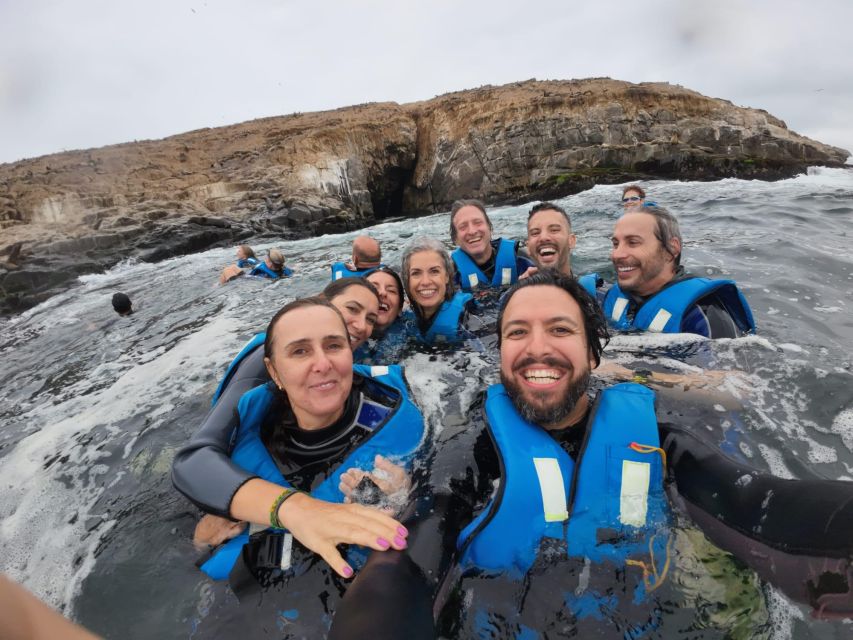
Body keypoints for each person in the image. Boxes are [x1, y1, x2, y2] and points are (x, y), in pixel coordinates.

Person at [329, 272, 853, 638]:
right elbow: (409, 562)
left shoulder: (658, 442)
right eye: (517, 333)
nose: (537, 347)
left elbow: (758, 503)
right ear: (501, 355)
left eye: (560, 329)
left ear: (593, 354)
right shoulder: (470, 449)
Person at [178, 297, 423, 637]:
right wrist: (203, 540)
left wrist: (404, 498)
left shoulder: (398, 418)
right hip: (244, 601)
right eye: (300, 352)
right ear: (274, 371)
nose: (322, 363)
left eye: (334, 346)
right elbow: (195, 533)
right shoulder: (245, 432)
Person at [210, 277, 381, 405]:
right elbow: (209, 441)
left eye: (371, 319)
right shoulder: (266, 355)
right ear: (324, 301)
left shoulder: (353, 352)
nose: (361, 326)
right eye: (352, 309)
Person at [603, 205, 755, 337]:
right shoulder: (609, 296)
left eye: (633, 242)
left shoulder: (703, 316)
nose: (617, 254)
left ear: (671, 249)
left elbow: (730, 371)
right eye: (616, 244)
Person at [400, 237, 474, 344]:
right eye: (416, 273)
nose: (425, 282)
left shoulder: (468, 313)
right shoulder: (403, 316)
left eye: (434, 271)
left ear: (447, 276)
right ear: (407, 280)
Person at [449, 199, 533, 291]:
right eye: (463, 227)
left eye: (478, 223)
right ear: (455, 239)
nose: (472, 231)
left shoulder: (520, 259)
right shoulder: (450, 274)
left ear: (490, 228)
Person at [523, 202, 599, 295]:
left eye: (554, 230)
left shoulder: (597, 296)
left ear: (571, 241)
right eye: (535, 233)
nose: (543, 237)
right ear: (528, 248)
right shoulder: (512, 299)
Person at [356, 267, 409, 364]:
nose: (382, 293)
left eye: (391, 290)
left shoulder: (412, 333)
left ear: (400, 308)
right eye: (373, 287)